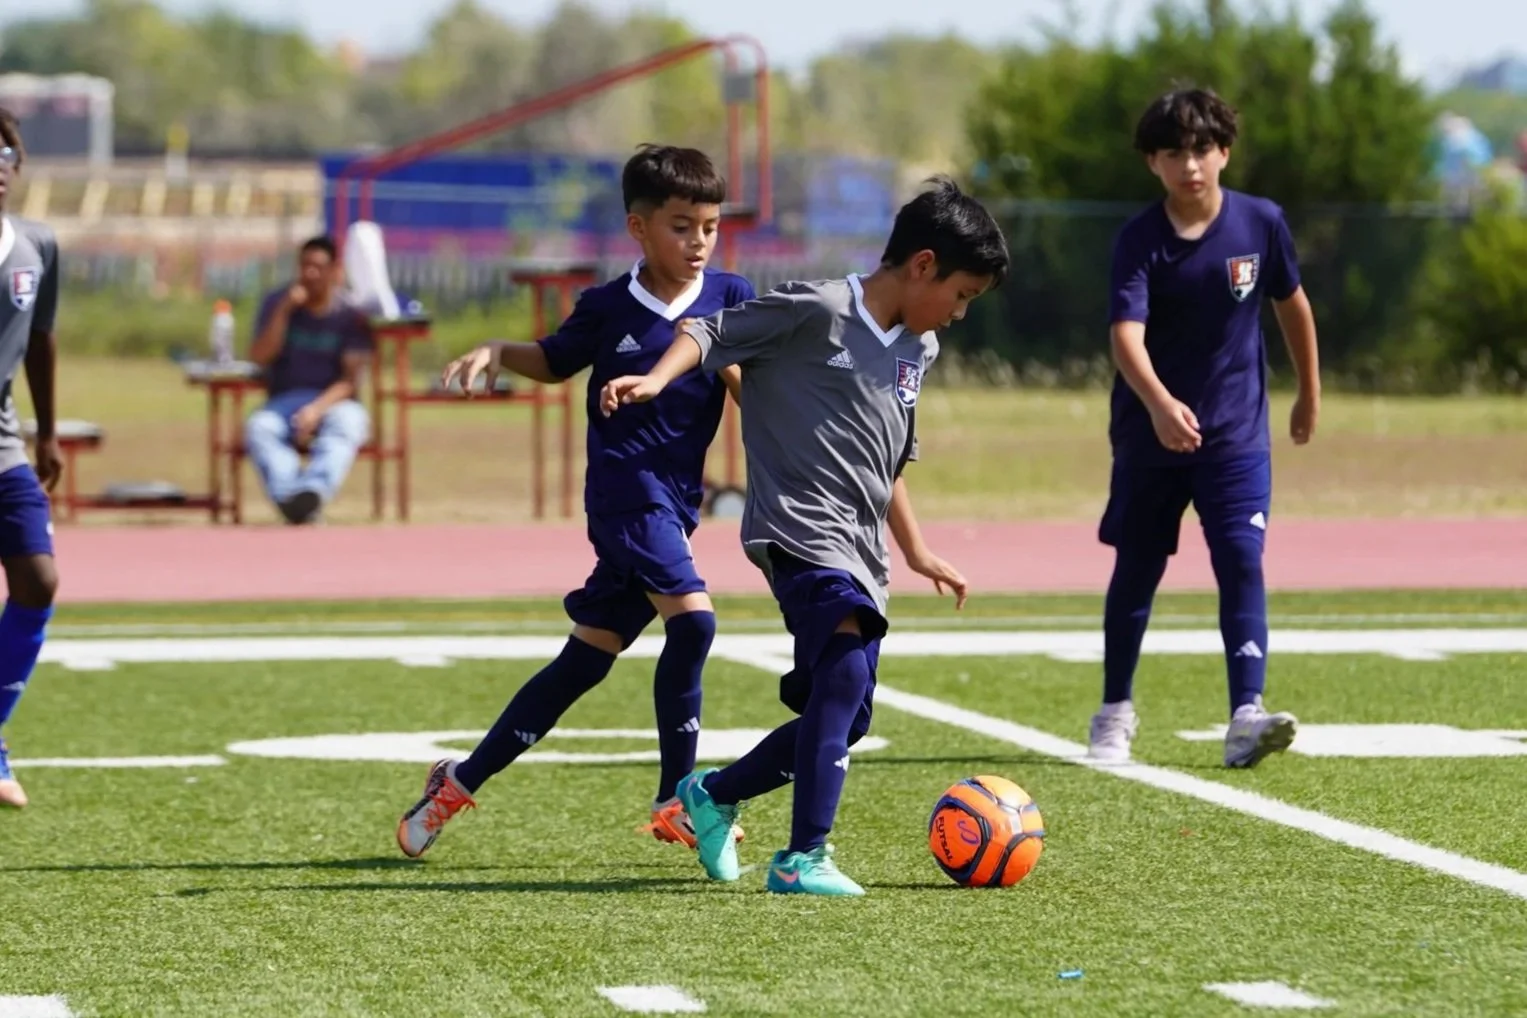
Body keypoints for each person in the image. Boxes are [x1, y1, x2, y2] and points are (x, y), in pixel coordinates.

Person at [601, 176, 1009, 896]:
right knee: (844, 667)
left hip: (861, 549)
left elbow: (889, 460)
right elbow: (705, 331)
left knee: (842, 716)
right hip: (795, 529)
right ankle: (802, 858)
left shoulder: (921, 350)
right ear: (921, 265)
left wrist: (913, 549)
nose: (959, 313)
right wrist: (660, 379)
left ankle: (712, 795)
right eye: (961, 294)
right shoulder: (816, 308)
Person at [396, 144, 754, 858]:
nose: (698, 242)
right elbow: (555, 361)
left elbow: (755, 385)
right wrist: (500, 349)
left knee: (583, 662)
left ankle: (457, 782)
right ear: (638, 227)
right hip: (624, 496)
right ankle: (677, 799)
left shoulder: (732, 299)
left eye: (709, 227)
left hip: (675, 505)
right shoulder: (607, 307)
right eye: (681, 225)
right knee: (694, 625)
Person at [1087, 87, 1322, 768]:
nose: (1189, 164)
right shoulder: (1138, 240)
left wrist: (1307, 393)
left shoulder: (1260, 222)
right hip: (1147, 435)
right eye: (1172, 152)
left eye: (1201, 149)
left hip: (1234, 436)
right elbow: (1124, 337)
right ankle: (1113, 711)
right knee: (1137, 568)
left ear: (1223, 152)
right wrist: (1159, 405)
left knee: (1241, 561)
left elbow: (1293, 307)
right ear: (1150, 163)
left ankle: (1245, 713)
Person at [0, 107, 63, 809]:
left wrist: (47, 433)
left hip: (3, 442)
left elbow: (41, 338)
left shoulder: (37, 244)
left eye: (4, 156)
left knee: (38, 579)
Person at [244, 236, 374, 525]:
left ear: (334, 272)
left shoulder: (349, 315)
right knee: (260, 428)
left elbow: (350, 381)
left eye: (318, 267)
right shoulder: (277, 303)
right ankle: (292, 497)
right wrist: (283, 312)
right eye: (304, 266)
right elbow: (259, 357)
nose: (310, 274)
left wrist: (317, 409)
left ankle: (313, 490)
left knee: (347, 426)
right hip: (284, 401)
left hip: (335, 402)